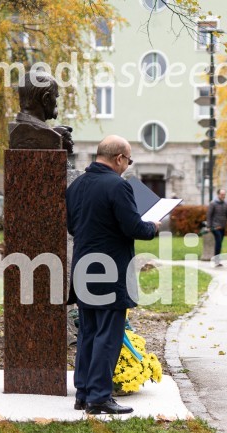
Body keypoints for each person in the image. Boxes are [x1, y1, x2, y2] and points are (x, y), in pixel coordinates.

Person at [66, 135, 160, 415]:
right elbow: (134, 227)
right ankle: (99, 398)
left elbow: (72, 227)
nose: (127, 166)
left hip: (83, 266)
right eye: (128, 161)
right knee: (108, 334)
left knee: (88, 332)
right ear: (119, 158)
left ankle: (83, 393)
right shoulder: (118, 186)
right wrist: (153, 226)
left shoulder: (77, 185)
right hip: (110, 271)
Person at [206, 189, 227, 267]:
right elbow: (209, 215)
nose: (223, 196)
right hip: (215, 227)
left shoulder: (226, 204)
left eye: (224, 194)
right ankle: (216, 260)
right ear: (218, 194)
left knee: (219, 243)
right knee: (218, 241)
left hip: (222, 227)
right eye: (222, 194)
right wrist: (209, 226)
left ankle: (216, 259)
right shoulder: (213, 203)